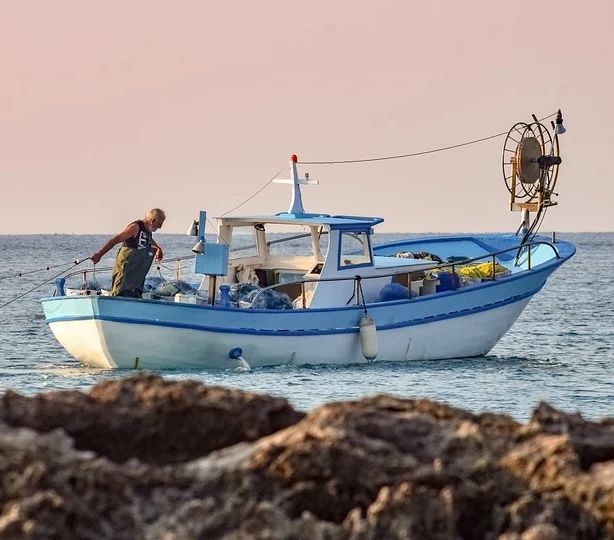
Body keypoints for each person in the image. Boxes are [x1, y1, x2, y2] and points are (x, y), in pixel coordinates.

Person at [91, 208, 166, 298]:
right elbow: (115, 240)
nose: (160, 227)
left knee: (135, 293)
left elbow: (149, 240)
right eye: (159, 224)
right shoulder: (135, 227)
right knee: (120, 291)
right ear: (152, 220)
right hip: (126, 266)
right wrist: (99, 254)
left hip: (137, 271)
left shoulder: (148, 231)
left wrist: (158, 248)